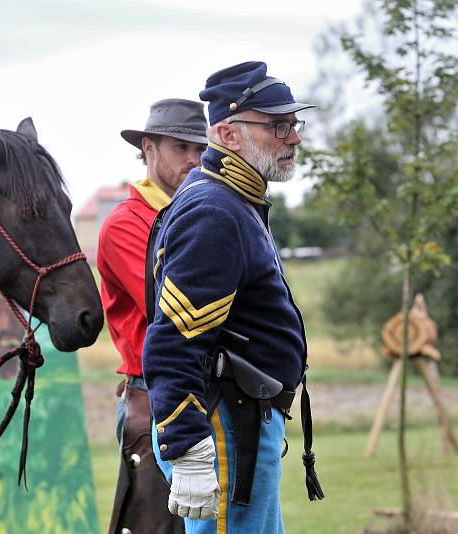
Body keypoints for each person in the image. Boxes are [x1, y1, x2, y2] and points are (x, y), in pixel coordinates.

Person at [142, 61, 324, 534]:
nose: (294, 138)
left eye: (293, 123)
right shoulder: (215, 211)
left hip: (243, 419)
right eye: (277, 125)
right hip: (224, 428)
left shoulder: (233, 201)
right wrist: (188, 447)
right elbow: (172, 342)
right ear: (227, 133)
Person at [98, 98, 208, 534]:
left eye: (200, 149)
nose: (195, 159)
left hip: (200, 390)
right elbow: (176, 311)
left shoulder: (197, 213)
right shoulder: (126, 223)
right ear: (148, 148)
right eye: (181, 147)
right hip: (155, 396)